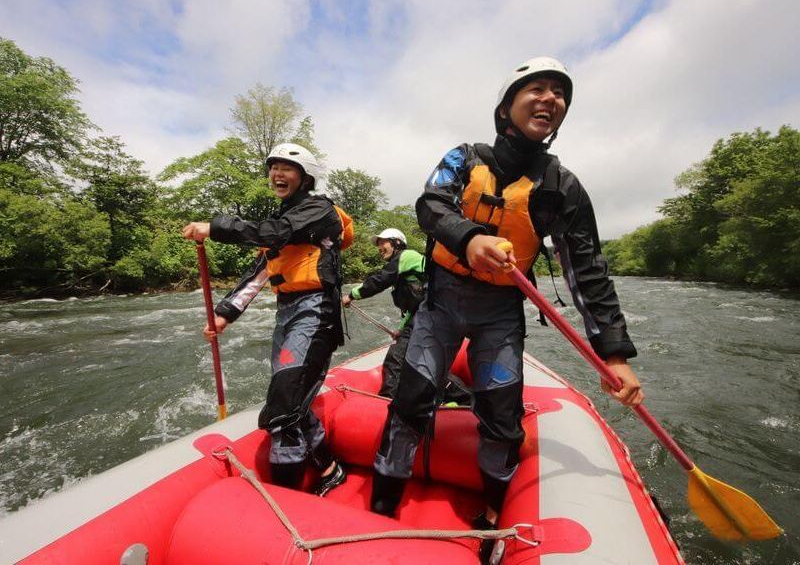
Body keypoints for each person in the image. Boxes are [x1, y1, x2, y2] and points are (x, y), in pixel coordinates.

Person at [369, 57, 644, 559]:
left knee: (501, 414)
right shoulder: (463, 156)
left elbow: (587, 271)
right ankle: (383, 503)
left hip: (501, 311)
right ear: (506, 108)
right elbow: (431, 204)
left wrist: (615, 352)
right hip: (441, 302)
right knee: (410, 400)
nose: (550, 99)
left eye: (559, 94)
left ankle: (494, 519)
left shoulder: (562, 186)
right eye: (536, 89)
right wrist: (469, 237)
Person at [182, 142, 353, 496]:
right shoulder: (283, 223)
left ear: (305, 178)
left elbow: (273, 232)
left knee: (283, 403)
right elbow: (259, 274)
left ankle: (285, 494)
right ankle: (329, 469)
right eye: (273, 167)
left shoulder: (319, 210)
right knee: (292, 395)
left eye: (286, 168)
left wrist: (215, 227)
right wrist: (224, 315)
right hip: (288, 311)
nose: (277, 174)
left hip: (316, 311)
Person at [342, 228, 426, 398]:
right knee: (420, 363)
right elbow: (413, 308)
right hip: (424, 315)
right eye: (378, 244)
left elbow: (379, 280)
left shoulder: (406, 256)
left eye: (383, 242)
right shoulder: (403, 273)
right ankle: (461, 396)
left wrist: (351, 295)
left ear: (397, 243)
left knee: (395, 359)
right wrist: (401, 329)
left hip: (430, 315)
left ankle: (386, 404)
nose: (379, 247)